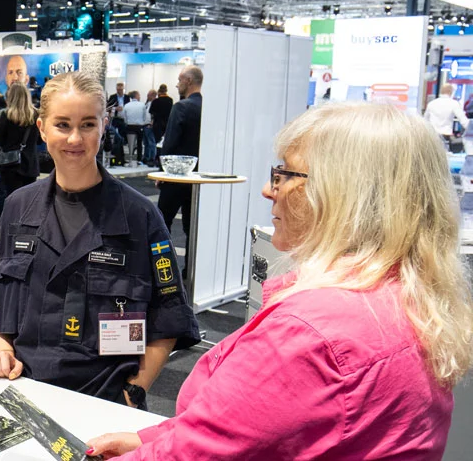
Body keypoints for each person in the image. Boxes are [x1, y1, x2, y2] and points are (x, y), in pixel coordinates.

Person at [85, 103, 473, 460]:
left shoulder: (306, 334)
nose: (269, 189)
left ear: (342, 192)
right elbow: (252, 430)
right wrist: (152, 437)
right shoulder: (406, 300)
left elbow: (199, 454)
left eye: (284, 174)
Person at [0, 72, 200, 408]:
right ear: (42, 128)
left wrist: (134, 392)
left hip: (105, 398)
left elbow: (168, 316)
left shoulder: (139, 217)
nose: (74, 138)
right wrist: (3, 349)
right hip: (24, 390)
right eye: (62, 125)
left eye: (88, 125)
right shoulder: (17, 208)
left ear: (104, 125)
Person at [157, 66, 203, 256]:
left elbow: (170, 142)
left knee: (160, 223)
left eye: (179, 80)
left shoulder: (181, 107)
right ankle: (189, 272)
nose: (176, 84)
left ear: (188, 81)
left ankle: (162, 270)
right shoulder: (207, 108)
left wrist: (162, 172)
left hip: (177, 177)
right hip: (199, 177)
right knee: (191, 226)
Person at [0, 83, 40, 230]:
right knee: (29, 200)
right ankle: (24, 232)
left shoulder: (6, 115)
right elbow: (39, 140)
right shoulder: (36, 115)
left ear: (10, 97)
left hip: (10, 165)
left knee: (6, 197)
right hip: (30, 163)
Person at [424, 84, 468, 152]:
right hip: (445, 136)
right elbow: (464, 122)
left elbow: (425, 121)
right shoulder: (454, 104)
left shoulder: (432, 103)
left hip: (432, 136)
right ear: (451, 92)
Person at [122, 90, 149, 166]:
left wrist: (127, 122)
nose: (140, 96)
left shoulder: (126, 105)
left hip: (129, 126)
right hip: (139, 126)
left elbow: (125, 118)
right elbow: (144, 117)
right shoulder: (142, 105)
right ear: (136, 96)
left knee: (130, 143)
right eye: (139, 95)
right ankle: (139, 159)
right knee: (139, 143)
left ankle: (130, 158)